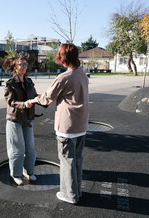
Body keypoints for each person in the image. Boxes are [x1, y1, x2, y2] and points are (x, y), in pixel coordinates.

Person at [27, 43, 89, 204]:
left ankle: (70, 195)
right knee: (77, 159)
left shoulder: (64, 78)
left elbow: (47, 98)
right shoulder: (82, 73)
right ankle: (77, 191)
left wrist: (33, 99)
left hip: (67, 125)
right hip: (81, 124)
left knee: (67, 160)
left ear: (63, 58)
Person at [2, 53, 38, 186]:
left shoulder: (29, 82)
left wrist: (44, 99)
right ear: (15, 67)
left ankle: (28, 171)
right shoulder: (10, 83)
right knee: (17, 148)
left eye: (25, 64)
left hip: (27, 119)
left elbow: (34, 96)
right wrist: (24, 104)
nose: (24, 67)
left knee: (30, 148)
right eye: (21, 64)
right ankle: (15, 174)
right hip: (15, 119)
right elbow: (10, 101)